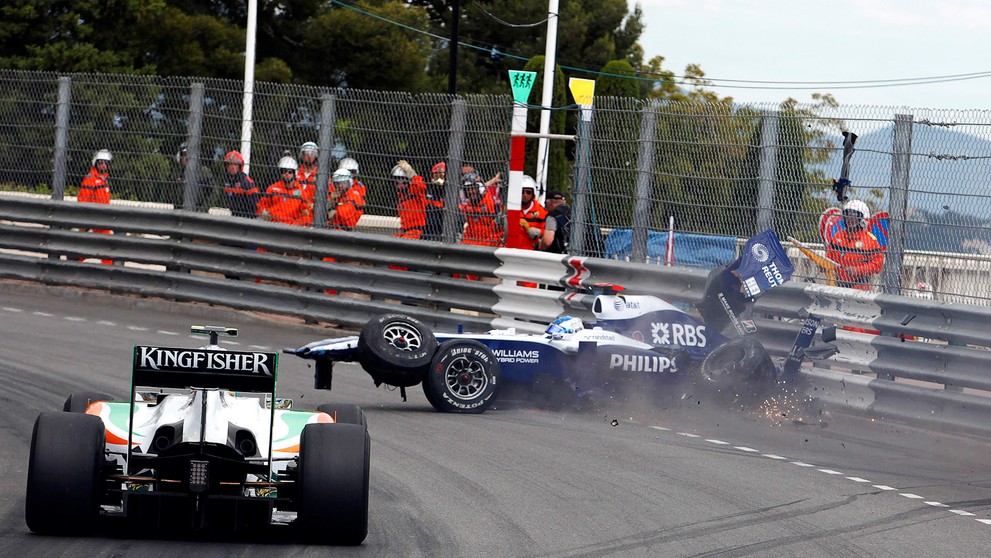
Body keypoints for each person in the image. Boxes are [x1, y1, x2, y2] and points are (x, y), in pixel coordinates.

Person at [824, 199, 885, 290]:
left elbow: (878, 264)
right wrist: (824, 265)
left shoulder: (869, 240)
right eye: (847, 216)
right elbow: (829, 257)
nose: (850, 220)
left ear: (863, 219)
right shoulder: (838, 236)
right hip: (837, 285)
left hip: (859, 287)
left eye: (854, 217)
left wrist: (858, 270)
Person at [79, 149, 114, 264]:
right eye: (101, 162)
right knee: (105, 246)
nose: (103, 165)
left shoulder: (103, 178)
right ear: (96, 163)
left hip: (102, 217)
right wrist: (86, 218)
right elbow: (83, 199)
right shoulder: (90, 179)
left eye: (106, 163)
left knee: (96, 246)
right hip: (95, 217)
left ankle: (75, 259)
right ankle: (108, 269)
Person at [256, 156, 311, 225]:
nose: (287, 174)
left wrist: (296, 224)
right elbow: (261, 205)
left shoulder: (301, 192)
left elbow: (308, 214)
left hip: (290, 227)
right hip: (272, 224)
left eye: (290, 171)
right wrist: (263, 212)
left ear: (295, 173)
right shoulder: (273, 188)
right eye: (284, 171)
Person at [459, 172, 503, 247]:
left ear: (480, 188)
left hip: (490, 242)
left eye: (473, 188)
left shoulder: (492, 203)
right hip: (471, 241)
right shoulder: (468, 205)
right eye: (468, 189)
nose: (470, 192)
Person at [506, 175, 546, 250]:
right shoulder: (509, 209)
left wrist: (538, 232)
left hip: (531, 252)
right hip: (511, 249)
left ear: (533, 193)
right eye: (522, 192)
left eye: (528, 192)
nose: (525, 195)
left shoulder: (542, 212)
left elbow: (547, 233)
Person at [393, 159, 427, 239]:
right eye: (397, 181)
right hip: (407, 231)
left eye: (403, 181)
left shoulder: (414, 192)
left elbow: (420, 186)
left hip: (416, 232)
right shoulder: (402, 198)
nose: (400, 184)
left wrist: (410, 172)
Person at [222, 150, 259, 218]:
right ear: (226, 166)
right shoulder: (227, 180)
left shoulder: (246, 181)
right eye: (230, 164)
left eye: (235, 164)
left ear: (240, 166)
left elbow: (254, 204)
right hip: (233, 214)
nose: (232, 167)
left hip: (246, 216)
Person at [539, 190, 571, 254]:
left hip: (556, 254)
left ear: (549, 202)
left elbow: (547, 241)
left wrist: (540, 246)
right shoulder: (573, 214)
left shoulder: (552, 216)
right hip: (572, 253)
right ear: (564, 201)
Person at [423, 161, 446, 241]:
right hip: (426, 230)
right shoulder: (428, 193)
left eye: (441, 176)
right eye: (436, 176)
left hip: (441, 232)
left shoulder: (451, 195)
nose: (438, 179)